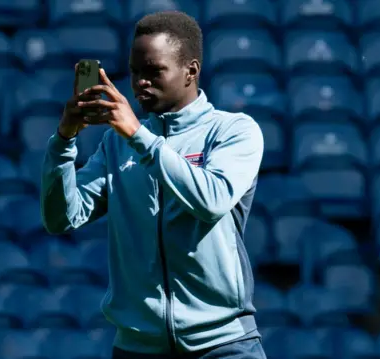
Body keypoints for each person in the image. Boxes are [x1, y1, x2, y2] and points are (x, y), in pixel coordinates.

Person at [41, 10, 266, 359]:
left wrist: (139, 136)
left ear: (190, 71)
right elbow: (61, 218)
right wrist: (64, 140)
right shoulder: (116, 144)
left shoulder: (233, 131)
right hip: (138, 348)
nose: (139, 83)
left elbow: (211, 200)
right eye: (134, 72)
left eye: (153, 71)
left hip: (223, 345)